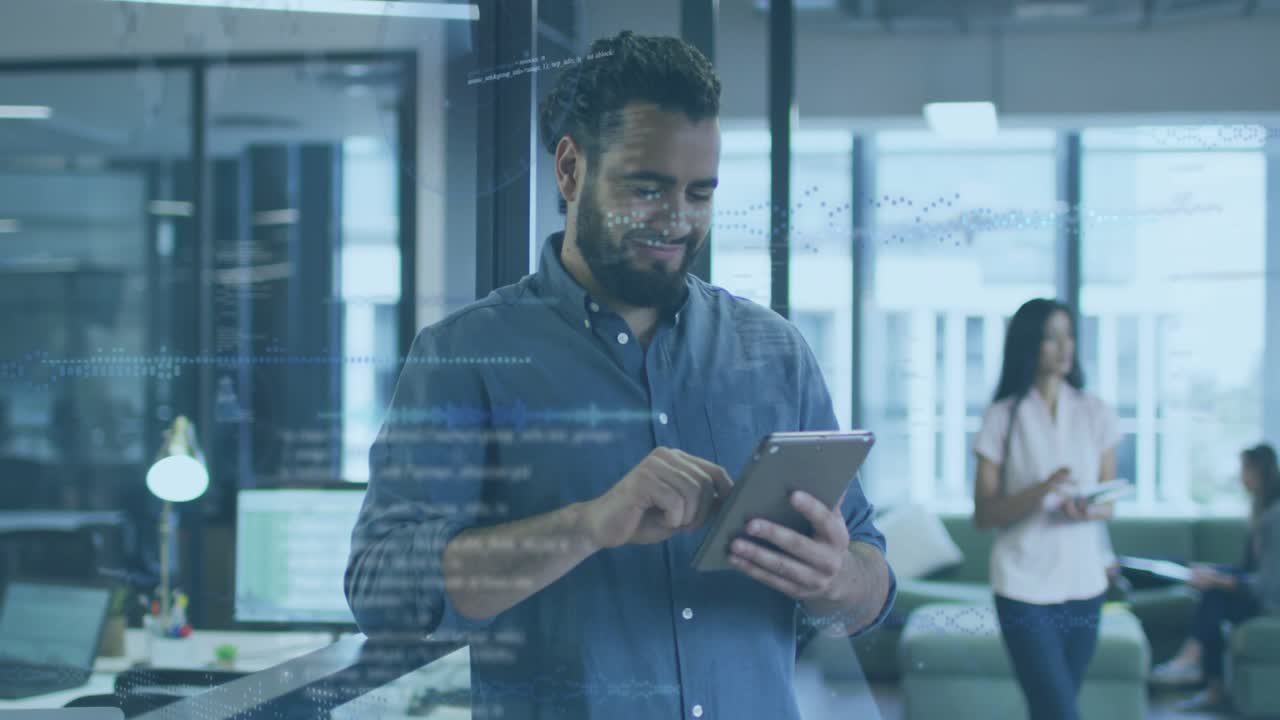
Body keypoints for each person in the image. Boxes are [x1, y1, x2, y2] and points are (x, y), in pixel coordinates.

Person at [344, 31, 895, 720]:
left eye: (700, 193)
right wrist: (589, 525)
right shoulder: (468, 356)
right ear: (570, 170)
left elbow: (871, 581)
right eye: (647, 188)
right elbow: (383, 595)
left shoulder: (775, 352)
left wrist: (837, 580)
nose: (677, 220)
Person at [972, 298, 1121, 720]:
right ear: (1028, 345)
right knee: (1059, 711)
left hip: (1085, 586)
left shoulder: (1096, 412)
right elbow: (983, 515)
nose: (1064, 347)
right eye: (1051, 337)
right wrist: (1039, 491)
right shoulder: (1001, 416)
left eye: (1068, 335)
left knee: (1050, 710)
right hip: (1022, 587)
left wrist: (1086, 507)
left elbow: (1107, 502)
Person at [1148, 443, 1280, 712]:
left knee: (1214, 596)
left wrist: (1219, 581)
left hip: (1272, 600)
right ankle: (1204, 676)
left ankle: (1194, 665)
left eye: (1244, 469)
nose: (1240, 476)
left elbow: (1266, 584)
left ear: (1258, 472)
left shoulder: (1274, 518)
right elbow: (1246, 568)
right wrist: (1213, 572)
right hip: (1258, 590)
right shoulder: (1260, 511)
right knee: (1209, 586)